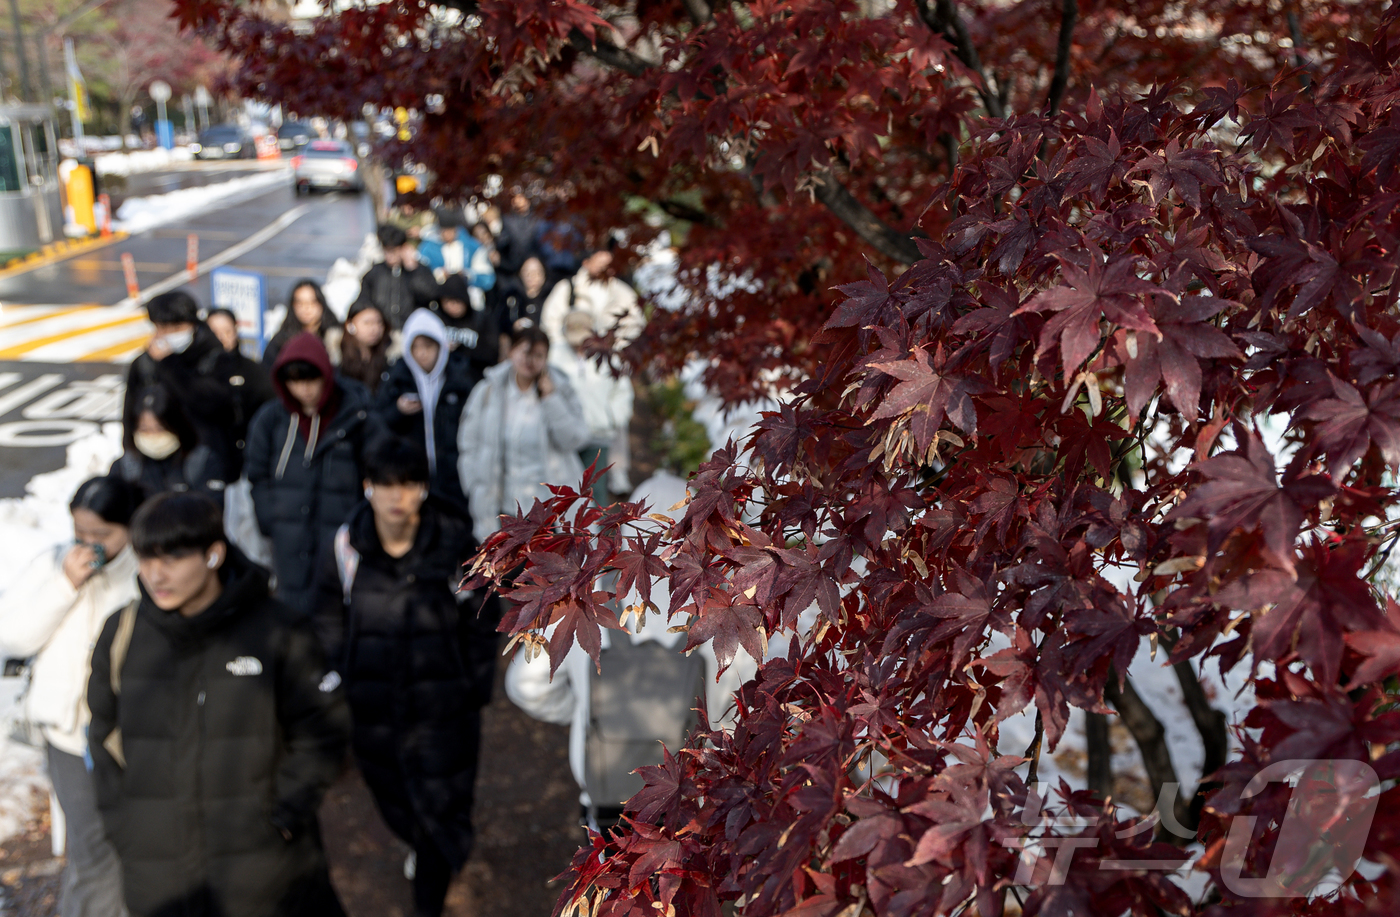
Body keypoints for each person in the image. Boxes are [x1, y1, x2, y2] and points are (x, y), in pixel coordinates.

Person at [87, 492, 350, 917]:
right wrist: (126, 829)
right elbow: (101, 737)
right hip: (158, 877)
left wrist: (282, 818)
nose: (156, 574)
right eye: (145, 558)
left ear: (213, 554)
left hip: (264, 874)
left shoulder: (278, 631)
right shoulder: (123, 633)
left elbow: (323, 729)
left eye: (172, 557)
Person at [313, 438, 494, 917]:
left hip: (444, 704)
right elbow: (327, 610)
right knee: (394, 800)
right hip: (374, 704)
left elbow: (482, 615)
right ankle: (428, 844)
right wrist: (343, 665)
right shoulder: (346, 545)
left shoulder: (455, 544)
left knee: (443, 806)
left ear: (424, 488)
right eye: (385, 486)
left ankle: (429, 894)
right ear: (367, 487)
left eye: (409, 485)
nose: (397, 498)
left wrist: (475, 683)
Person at [0, 476, 142, 917]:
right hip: (67, 736)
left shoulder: (146, 572)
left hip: (129, 734)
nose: (90, 545)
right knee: (92, 846)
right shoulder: (54, 564)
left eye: (102, 535)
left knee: (124, 845)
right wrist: (64, 586)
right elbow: (14, 636)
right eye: (81, 533)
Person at [246, 333, 378, 616]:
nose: (304, 389)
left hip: (340, 536)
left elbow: (378, 467)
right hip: (288, 539)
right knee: (291, 616)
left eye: (311, 379)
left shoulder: (354, 414)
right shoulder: (271, 419)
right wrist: (270, 518)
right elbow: (257, 473)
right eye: (294, 380)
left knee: (335, 613)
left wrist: (360, 524)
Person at [457, 325, 590, 540]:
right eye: (525, 352)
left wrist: (551, 399)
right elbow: (468, 440)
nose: (530, 361)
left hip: (550, 510)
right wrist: (474, 484)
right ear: (511, 351)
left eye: (538, 355)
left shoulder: (560, 388)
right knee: (506, 571)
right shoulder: (489, 390)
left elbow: (576, 439)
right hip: (503, 505)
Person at [122, 291, 239, 475]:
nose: (168, 335)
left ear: (191, 325)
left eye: (175, 328)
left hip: (203, 461)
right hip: (158, 460)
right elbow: (130, 412)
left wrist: (170, 366)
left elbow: (211, 404)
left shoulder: (214, 357)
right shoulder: (145, 364)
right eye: (162, 327)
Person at [371, 309, 474, 509]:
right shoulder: (398, 378)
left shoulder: (459, 379)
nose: (422, 353)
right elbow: (379, 422)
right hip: (413, 477)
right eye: (415, 347)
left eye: (428, 346)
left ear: (440, 346)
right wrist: (398, 410)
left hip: (455, 477)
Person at [549, 312, 634, 505]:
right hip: (565, 437)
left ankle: (593, 534)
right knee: (563, 494)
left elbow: (622, 391)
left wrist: (613, 418)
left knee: (595, 493)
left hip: (598, 434)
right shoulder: (555, 355)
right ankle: (564, 534)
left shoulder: (608, 356)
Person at [114, 384, 227, 498]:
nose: (153, 436)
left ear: (176, 426)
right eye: (144, 429)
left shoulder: (201, 462)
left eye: (160, 429)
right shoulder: (125, 468)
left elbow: (212, 508)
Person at [203, 308, 275, 480]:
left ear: (236, 332)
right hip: (204, 460)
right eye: (215, 333)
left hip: (244, 460)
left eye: (227, 332)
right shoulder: (193, 372)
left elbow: (269, 413)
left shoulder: (253, 371)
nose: (222, 338)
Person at [351, 224, 438, 331]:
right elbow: (363, 300)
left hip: (412, 329)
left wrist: (413, 271)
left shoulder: (420, 271)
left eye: (393, 251)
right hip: (383, 332)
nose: (390, 256)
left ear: (403, 248)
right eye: (386, 251)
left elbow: (430, 296)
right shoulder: (375, 272)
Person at [432, 273, 498, 383]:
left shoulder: (481, 319)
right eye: (447, 301)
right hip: (441, 381)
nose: (452, 306)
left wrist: (462, 349)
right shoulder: (435, 320)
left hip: (474, 379)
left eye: (457, 301)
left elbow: (492, 352)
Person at [262, 280, 343, 369]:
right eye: (300, 303)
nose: (306, 308)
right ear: (293, 306)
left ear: (321, 304)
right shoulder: (281, 341)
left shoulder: (336, 338)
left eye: (312, 302)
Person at [338, 301, 401, 395]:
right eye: (367, 323)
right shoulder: (337, 358)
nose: (374, 328)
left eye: (379, 322)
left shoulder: (392, 359)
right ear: (350, 325)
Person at [494, 255, 551, 355]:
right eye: (527, 272)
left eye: (537, 272)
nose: (532, 276)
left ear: (544, 274)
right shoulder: (511, 295)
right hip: (514, 344)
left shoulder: (551, 296)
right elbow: (499, 322)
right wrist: (513, 326)